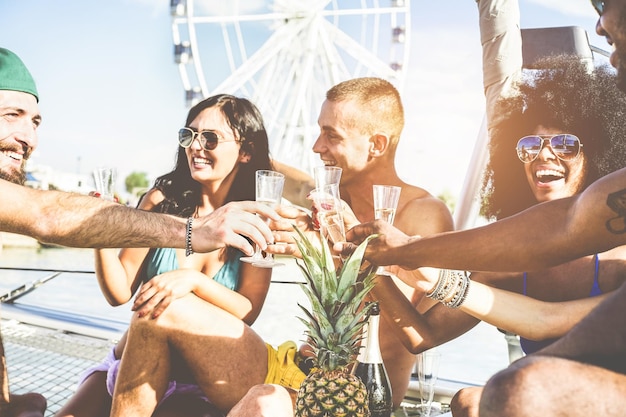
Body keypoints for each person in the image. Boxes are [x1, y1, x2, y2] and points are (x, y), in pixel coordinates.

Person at [341, 1, 626, 414]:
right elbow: (423, 336)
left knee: (503, 391)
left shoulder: (618, 257)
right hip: (543, 392)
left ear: (597, 155)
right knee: (470, 401)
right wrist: (378, 267)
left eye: (564, 144)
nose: (544, 156)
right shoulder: (509, 264)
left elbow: (548, 305)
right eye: (529, 146)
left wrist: (406, 252)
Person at [0, 47, 277, 417]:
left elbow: (248, 311)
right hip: (134, 362)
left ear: (246, 151)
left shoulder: (258, 217)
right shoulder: (159, 201)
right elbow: (118, 293)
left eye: (210, 138)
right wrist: (99, 228)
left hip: (203, 378)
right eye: (189, 135)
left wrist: (189, 282)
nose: (196, 147)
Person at [230, 76, 455, 416]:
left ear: (376, 145)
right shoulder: (331, 200)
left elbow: (394, 332)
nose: (317, 146)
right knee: (164, 322)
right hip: (297, 368)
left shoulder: (422, 214)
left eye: (331, 135)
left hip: (355, 394)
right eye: (320, 132)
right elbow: (276, 175)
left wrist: (327, 252)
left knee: (264, 401)